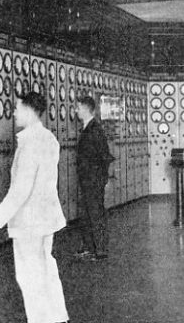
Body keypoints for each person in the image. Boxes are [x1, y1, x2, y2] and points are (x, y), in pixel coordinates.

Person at [0, 92, 69, 323]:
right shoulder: (49, 138)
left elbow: (21, 189)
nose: (13, 113)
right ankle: (58, 317)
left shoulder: (31, 143)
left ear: (30, 111)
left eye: (17, 108)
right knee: (46, 269)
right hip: (46, 217)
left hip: (30, 220)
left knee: (30, 276)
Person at [75, 95, 114, 261]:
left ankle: (100, 250)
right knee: (86, 214)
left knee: (95, 214)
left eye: (77, 107)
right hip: (86, 180)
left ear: (85, 109)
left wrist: (101, 179)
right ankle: (90, 248)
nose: (76, 111)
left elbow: (105, 156)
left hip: (93, 180)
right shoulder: (86, 128)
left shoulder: (95, 129)